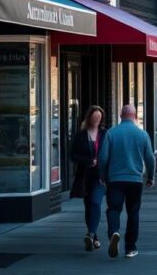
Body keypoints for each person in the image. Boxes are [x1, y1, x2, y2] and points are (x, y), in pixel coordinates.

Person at [99, 104, 156, 258]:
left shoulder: (111, 133)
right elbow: (150, 158)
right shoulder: (142, 135)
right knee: (133, 212)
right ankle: (130, 248)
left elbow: (103, 158)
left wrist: (102, 175)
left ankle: (114, 233)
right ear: (135, 116)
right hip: (135, 180)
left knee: (113, 209)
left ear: (120, 115)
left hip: (115, 179)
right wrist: (151, 176)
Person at [69, 105, 108, 251]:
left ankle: (90, 233)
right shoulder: (81, 135)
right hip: (85, 175)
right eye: (95, 116)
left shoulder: (105, 134)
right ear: (89, 117)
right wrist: (87, 161)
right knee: (88, 206)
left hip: (101, 176)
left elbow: (111, 153)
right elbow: (73, 155)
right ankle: (94, 236)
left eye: (99, 117)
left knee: (95, 202)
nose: (97, 119)